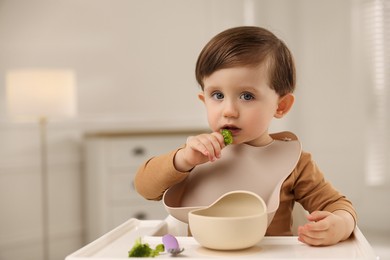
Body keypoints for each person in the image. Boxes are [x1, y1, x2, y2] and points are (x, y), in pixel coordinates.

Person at [134, 26, 356, 246]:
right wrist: (182, 160)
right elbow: (145, 188)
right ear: (204, 101)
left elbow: (337, 205)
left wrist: (340, 224)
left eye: (247, 96)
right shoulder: (196, 154)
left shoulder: (295, 163)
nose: (229, 110)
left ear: (281, 106)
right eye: (217, 95)